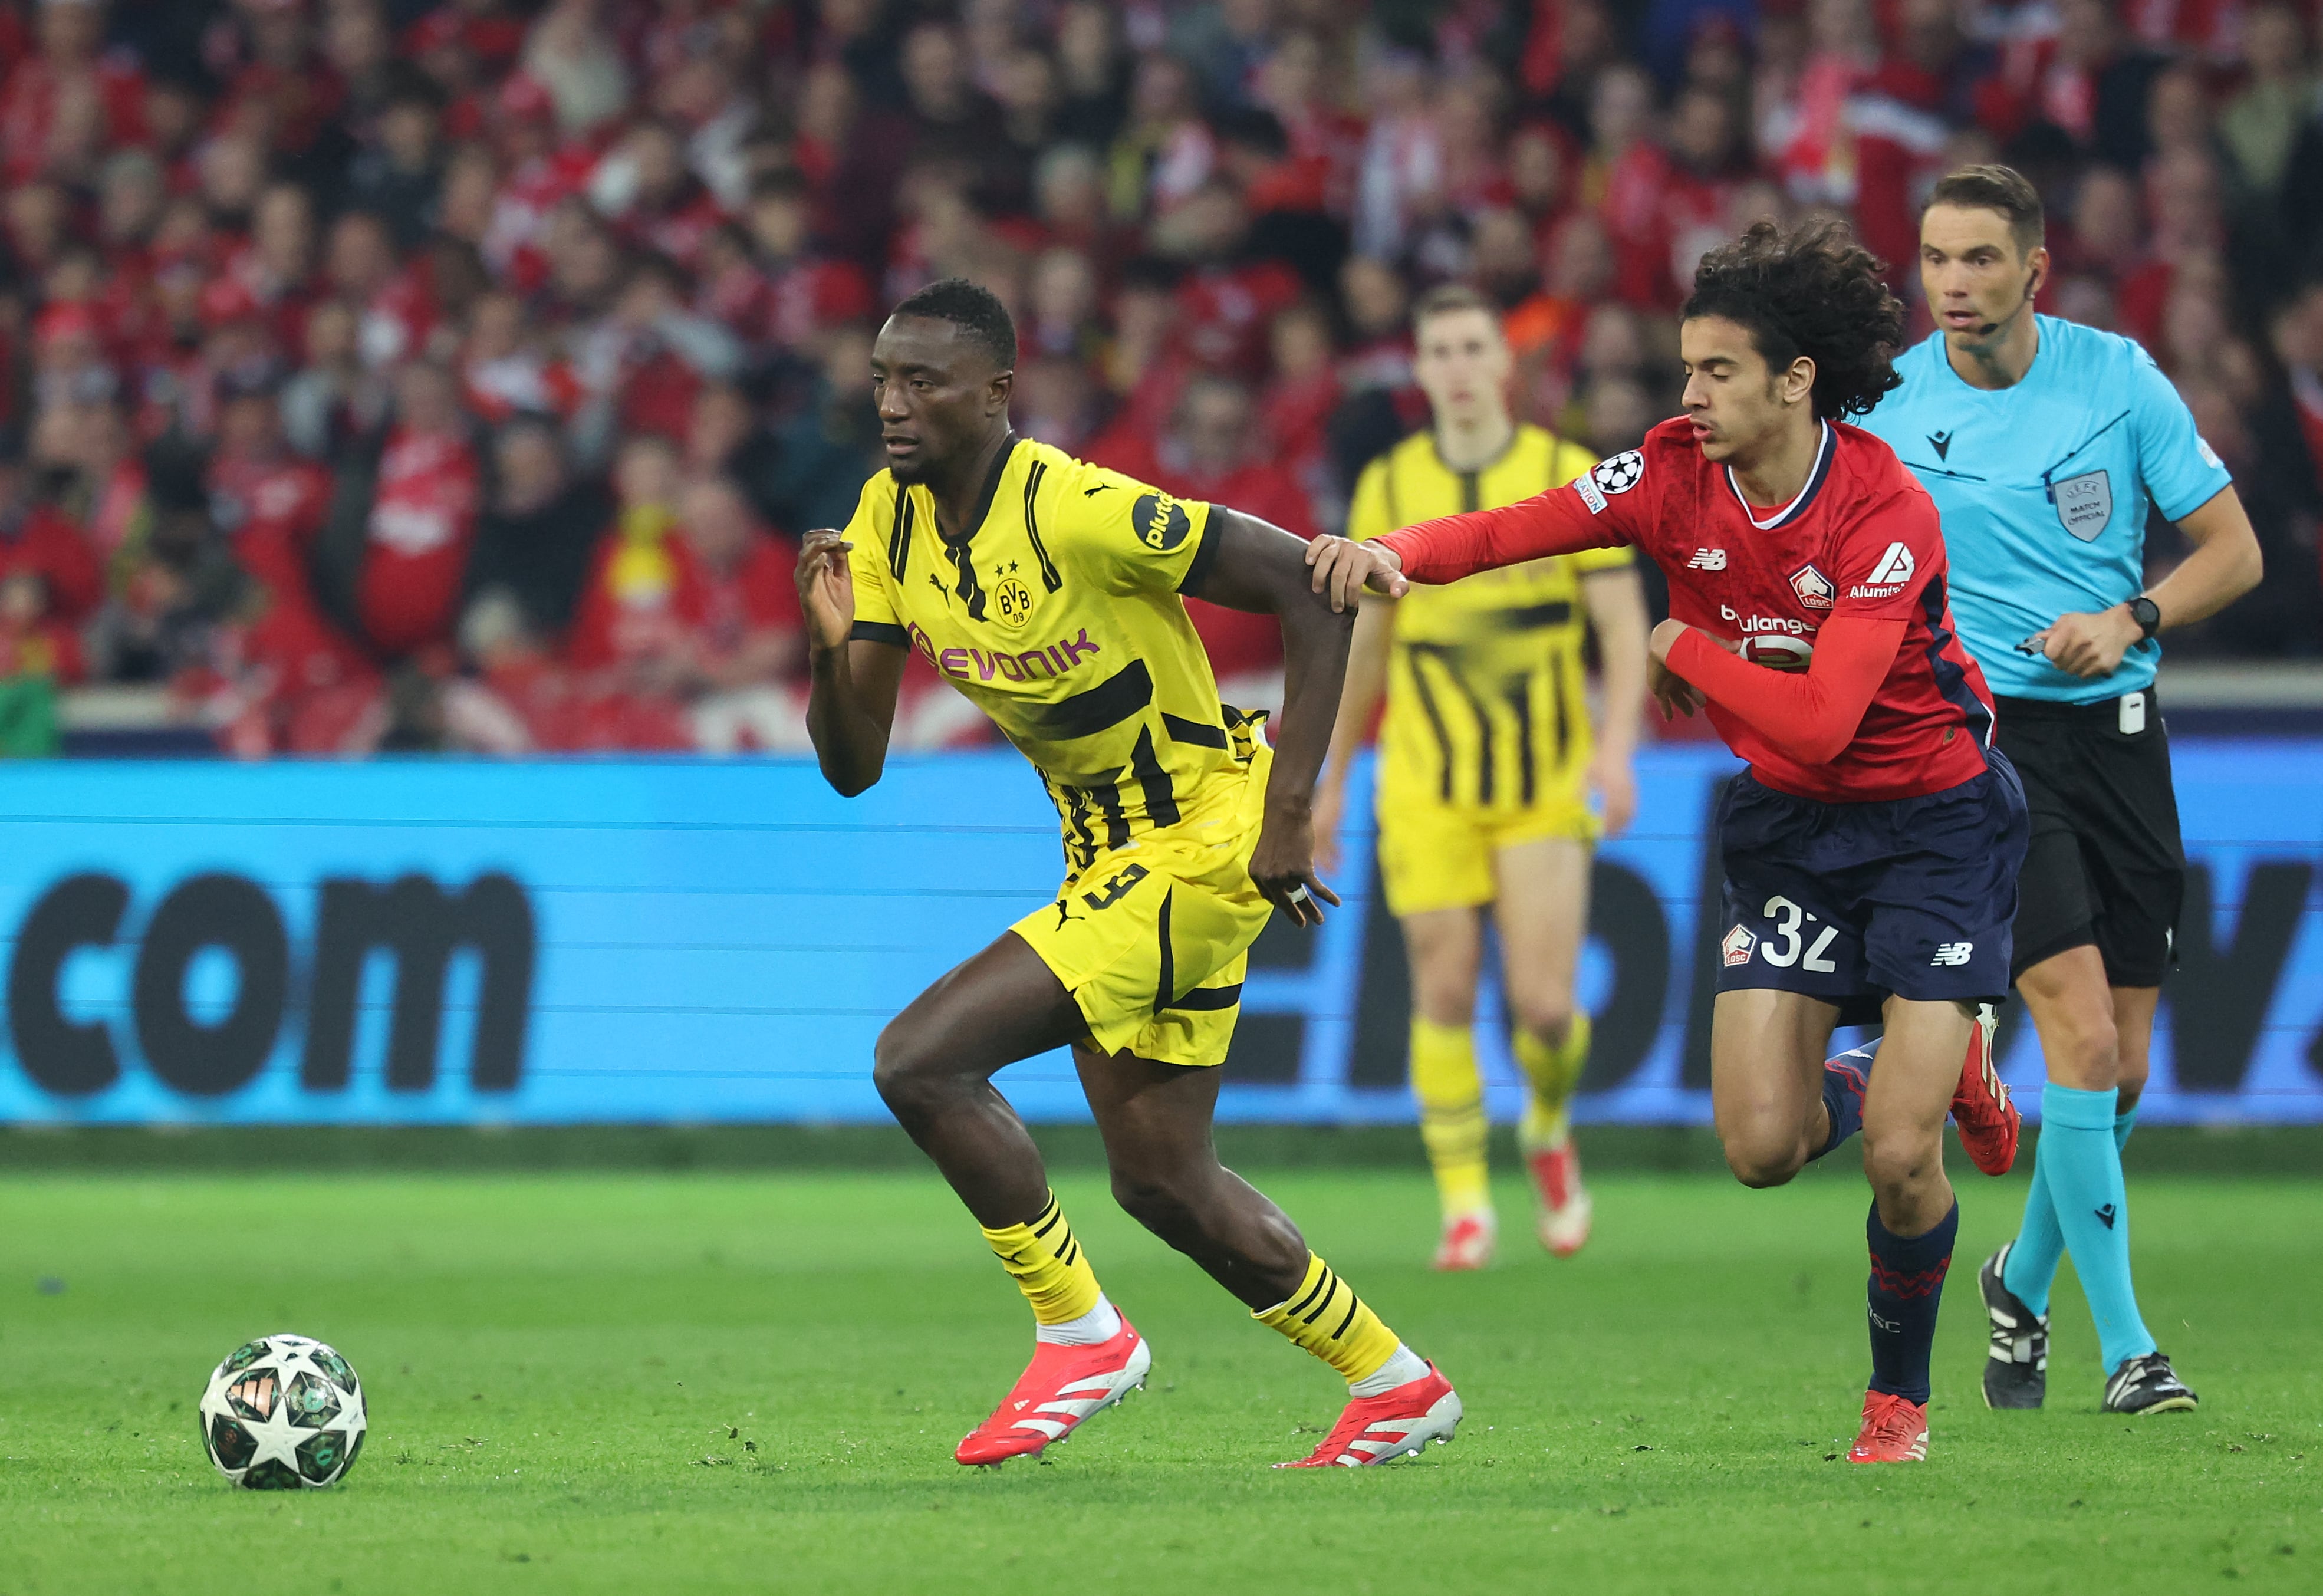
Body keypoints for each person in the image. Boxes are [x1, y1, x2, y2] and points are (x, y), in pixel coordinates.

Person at [1307, 219, 2023, 1466]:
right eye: (1685, 369)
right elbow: (1510, 527)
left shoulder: (1883, 511)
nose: (1687, 395)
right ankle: (1905, 1059)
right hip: (1792, 829)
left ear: (1796, 381)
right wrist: (1391, 555)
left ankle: (1894, 1401)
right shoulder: (1663, 468)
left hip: (1931, 823)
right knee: (1758, 1147)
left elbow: (1825, 715)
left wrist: (1675, 648)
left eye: (1717, 373)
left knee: (1904, 1160)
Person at [797, 279, 1460, 1470]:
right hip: (1112, 856)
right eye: (883, 378)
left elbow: (1317, 593)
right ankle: (1393, 1382)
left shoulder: (1080, 506)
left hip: (1206, 839)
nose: (891, 404)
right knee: (1161, 1177)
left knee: (919, 1058)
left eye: (922, 381)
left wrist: (1293, 810)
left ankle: (1079, 1331)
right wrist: (831, 645)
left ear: (996, 394)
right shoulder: (886, 523)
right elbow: (853, 767)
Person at [1860, 165, 2264, 1417]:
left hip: (2122, 740)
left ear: (2032, 270)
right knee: (2080, 1035)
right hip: (1980, 749)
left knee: (2122, 1068)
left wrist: (2128, 613)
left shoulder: (2117, 381)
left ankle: (2017, 1281)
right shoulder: (1887, 407)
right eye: (1934, 260)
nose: (1953, 285)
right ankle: (2130, 1350)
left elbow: (2232, 553)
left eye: (1978, 260)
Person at [1317, 283, 1649, 1269]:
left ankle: (1547, 1126)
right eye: (1440, 352)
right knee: (1446, 990)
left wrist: (1616, 748)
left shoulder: (1567, 472)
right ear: (1420, 372)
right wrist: (1332, 780)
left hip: (1544, 779)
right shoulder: (1386, 485)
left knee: (1547, 1008)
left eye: (1473, 347)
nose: (1459, 368)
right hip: (1425, 779)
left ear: (1504, 362)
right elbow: (1364, 653)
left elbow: (1623, 628)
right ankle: (1465, 1206)